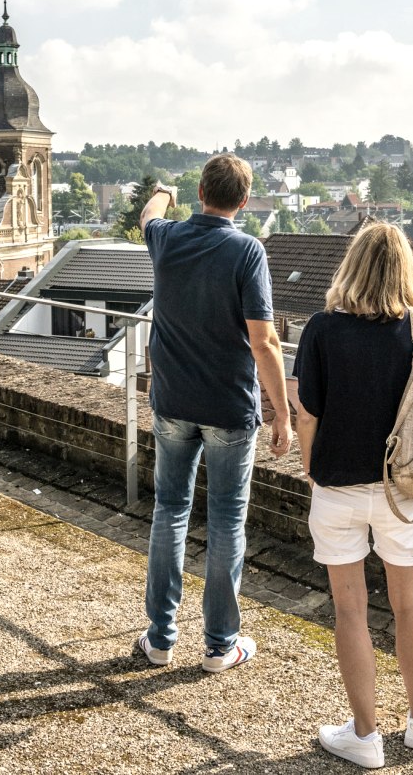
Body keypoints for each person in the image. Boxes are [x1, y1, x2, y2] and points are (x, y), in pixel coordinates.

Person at [293, 223, 413, 769]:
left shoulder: (321, 329)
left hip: (338, 485)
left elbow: (307, 414)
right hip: (403, 489)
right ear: (406, 270)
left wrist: (313, 469)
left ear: (353, 265)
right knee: (409, 604)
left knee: (350, 610)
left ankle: (365, 736)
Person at [135, 156, 292, 673]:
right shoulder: (247, 250)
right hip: (227, 407)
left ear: (202, 190)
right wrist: (282, 415)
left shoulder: (168, 239)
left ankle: (160, 639)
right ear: (244, 201)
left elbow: (147, 215)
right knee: (226, 518)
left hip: (173, 401)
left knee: (170, 510)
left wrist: (164, 189)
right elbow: (264, 342)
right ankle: (221, 645)